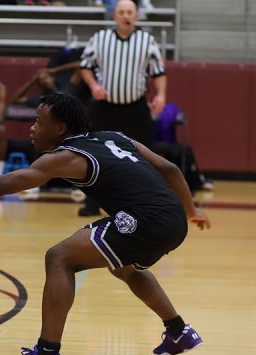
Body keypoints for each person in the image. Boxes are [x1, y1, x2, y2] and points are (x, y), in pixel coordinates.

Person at [0, 93, 210, 355]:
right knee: (124, 267)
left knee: (59, 257)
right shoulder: (116, 137)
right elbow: (169, 167)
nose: (32, 128)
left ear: (60, 128)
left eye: (38, 122)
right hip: (173, 218)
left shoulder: (65, 157)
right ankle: (178, 331)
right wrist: (192, 209)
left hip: (145, 218)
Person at [78, 0, 166, 216]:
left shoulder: (147, 41)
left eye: (130, 12)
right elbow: (85, 66)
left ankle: (147, 202)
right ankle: (92, 203)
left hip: (136, 108)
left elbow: (158, 72)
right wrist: (93, 85)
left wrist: (161, 95)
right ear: (114, 15)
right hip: (104, 108)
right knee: (95, 154)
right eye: (121, 12)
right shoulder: (100, 38)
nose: (126, 16)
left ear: (136, 16)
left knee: (144, 156)